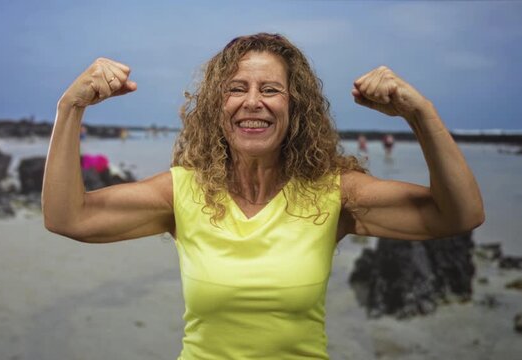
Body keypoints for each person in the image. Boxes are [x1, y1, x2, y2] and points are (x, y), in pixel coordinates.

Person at [42, 33, 484, 359]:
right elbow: (68, 218)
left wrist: (420, 113)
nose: (253, 101)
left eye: (270, 89)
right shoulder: (182, 191)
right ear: (218, 107)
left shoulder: (333, 192)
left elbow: (458, 214)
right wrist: (70, 108)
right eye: (237, 88)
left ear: (295, 110)